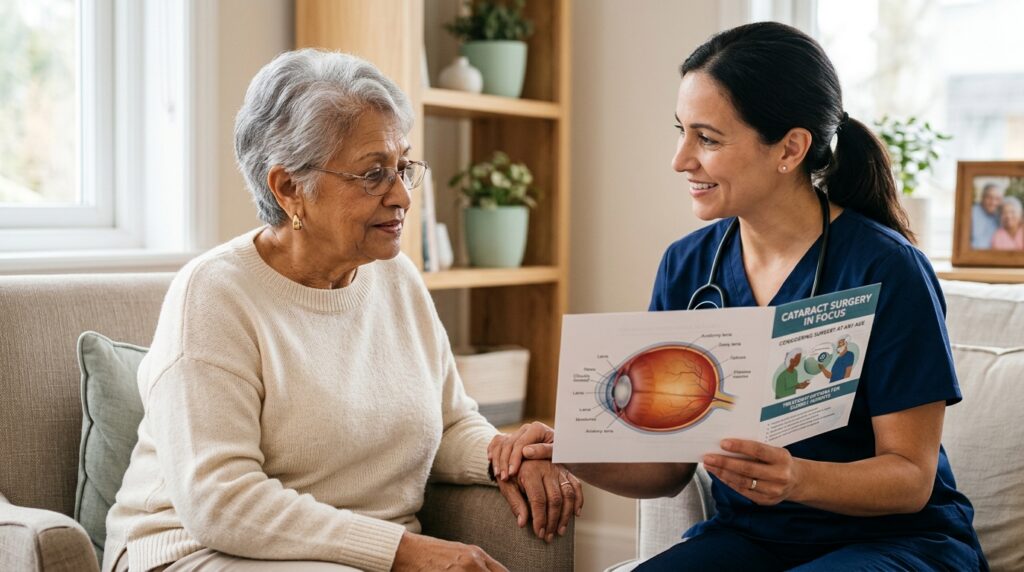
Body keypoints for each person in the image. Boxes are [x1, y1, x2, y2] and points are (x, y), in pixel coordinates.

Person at [490, 22, 988, 571]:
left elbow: (911, 480)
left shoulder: (887, 268)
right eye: (681, 131)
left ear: (790, 149)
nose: (680, 160)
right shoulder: (687, 266)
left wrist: (796, 478)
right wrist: (571, 448)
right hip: (750, 540)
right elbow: (666, 470)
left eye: (707, 138)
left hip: (896, 543)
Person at [102, 49, 581, 572]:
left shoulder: (396, 278)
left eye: (402, 167)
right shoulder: (216, 294)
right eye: (373, 174)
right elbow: (221, 500)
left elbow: (446, 423)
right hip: (197, 551)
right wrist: (402, 552)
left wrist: (502, 456)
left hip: (346, 558)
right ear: (289, 189)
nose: (401, 195)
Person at [971, 183, 1004, 249]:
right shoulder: (971, 213)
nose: (993, 202)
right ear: (982, 197)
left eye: (997, 199)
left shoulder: (1001, 216)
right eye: (989, 197)